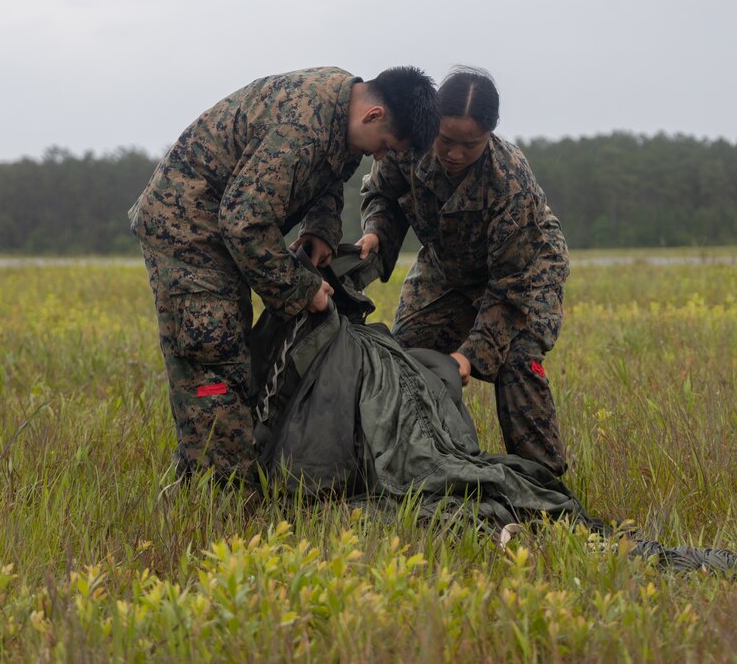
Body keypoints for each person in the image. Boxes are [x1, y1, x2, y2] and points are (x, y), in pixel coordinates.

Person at [129, 65, 440, 486]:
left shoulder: (346, 108)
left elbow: (329, 179)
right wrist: (303, 290)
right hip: (187, 227)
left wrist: (319, 230)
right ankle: (225, 493)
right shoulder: (304, 125)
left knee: (226, 346)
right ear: (375, 115)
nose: (379, 157)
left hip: (219, 223)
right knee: (213, 353)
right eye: (384, 146)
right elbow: (243, 221)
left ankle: (198, 478)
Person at [356, 67, 570, 476]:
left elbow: (510, 290)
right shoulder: (409, 145)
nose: (453, 153)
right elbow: (382, 195)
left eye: (468, 145)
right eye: (446, 140)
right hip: (447, 268)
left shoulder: (510, 183)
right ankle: (415, 467)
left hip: (525, 274)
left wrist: (469, 357)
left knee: (518, 362)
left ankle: (543, 485)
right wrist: (375, 235)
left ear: (488, 136)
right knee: (403, 360)